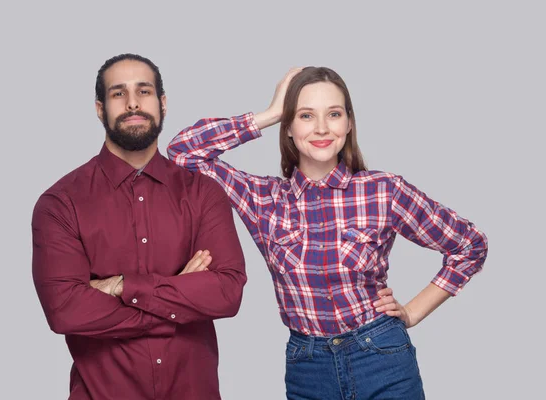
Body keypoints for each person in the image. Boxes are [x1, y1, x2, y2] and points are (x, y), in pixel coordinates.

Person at [167, 67, 488, 399]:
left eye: (333, 114)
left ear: (348, 124)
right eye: (305, 115)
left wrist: (413, 312)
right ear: (288, 127)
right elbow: (183, 151)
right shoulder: (263, 199)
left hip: (382, 358)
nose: (321, 128)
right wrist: (271, 113)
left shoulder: (383, 191)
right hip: (308, 368)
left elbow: (470, 245)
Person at [32, 53, 247, 400]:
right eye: (119, 94)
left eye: (144, 91)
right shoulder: (60, 203)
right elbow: (65, 311)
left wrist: (121, 286)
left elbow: (226, 294)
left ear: (162, 103)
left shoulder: (203, 193)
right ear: (100, 108)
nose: (133, 103)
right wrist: (179, 296)